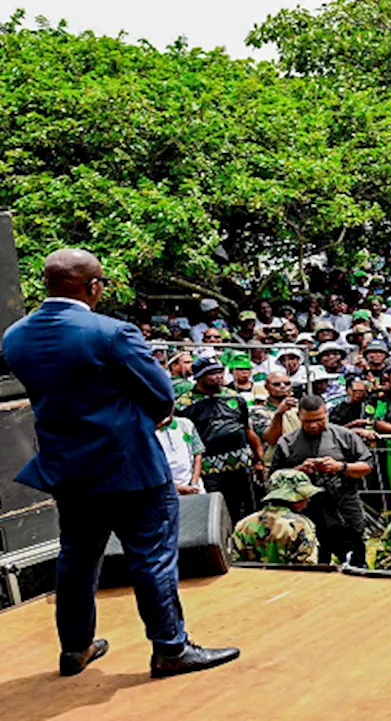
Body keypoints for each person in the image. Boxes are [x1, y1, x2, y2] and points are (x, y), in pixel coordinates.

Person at [2, 248, 238, 678]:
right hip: (131, 467)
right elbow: (161, 395)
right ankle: (170, 648)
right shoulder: (111, 332)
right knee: (151, 558)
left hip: (67, 468)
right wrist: (148, 415)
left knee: (76, 557)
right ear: (92, 287)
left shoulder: (14, 337)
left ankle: (74, 648)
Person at [270, 395, 375, 566]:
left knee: (356, 549)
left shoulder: (345, 436)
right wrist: (299, 471)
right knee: (317, 557)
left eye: (319, 420)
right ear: (298, 416)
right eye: (307, 421)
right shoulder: (288, 443)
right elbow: (274, 478)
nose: (313, 425)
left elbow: (367, 466)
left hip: (343, 500)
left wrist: (340, 467)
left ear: (326, 413)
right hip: (308, 507)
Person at [176, 356, 267, 523]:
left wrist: (259, 460)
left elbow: (248, 430)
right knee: (215, 514)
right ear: (198, 377)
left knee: (247, 511)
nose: (218, 376)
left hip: (240, 465)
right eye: (211, 373)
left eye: (220, 371)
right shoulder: (183, 405)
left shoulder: (235, 398)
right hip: (208, 469)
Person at [228, 469, 323, 565]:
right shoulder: (300, 526)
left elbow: (234, 563)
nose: (308, 499)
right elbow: (307, 568)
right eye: (304, 494)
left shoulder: (244, 524)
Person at [155, 415, 205, 495]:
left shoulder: (186, 424)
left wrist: (194, 482)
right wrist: (178, 488)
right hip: (167, 491)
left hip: (194, 486)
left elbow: (198, 453)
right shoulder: (148, 431)